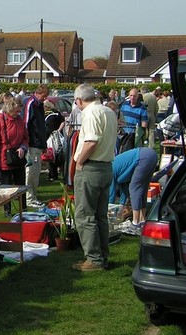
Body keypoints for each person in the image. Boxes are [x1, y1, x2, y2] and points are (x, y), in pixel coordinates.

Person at [71, 84, 118, 272]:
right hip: (106, 166)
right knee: (100, 216)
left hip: (91, 167)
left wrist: (80, 161)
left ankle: (94, 259)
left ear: (79, 100)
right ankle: (102, 256)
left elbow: (91, 142)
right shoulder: (108, 111)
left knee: (85, 215)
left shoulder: (90, 113)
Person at [0, 98, 29, 216]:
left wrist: (23, 147)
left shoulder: (19, 120)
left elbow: (26, 137)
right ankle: (7, 210)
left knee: (21, 185)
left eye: (19, 111)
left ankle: (23, 209)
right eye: (16, 111)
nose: (18, 113)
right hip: (4, 157)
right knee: (6, 187)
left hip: (18, 157)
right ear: (9, 110)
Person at [109, 147, 158, 236]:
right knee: (143, 188)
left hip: (143, 157)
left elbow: (111, 195)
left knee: (134, 187)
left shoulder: (110, 170)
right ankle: (143, 221)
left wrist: (109, 211)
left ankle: (136, 224)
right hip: (151, 155)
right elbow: (124, 190)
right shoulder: (118, 170)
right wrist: (122, 206)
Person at [22, 84, 49, 209]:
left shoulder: (40, 105)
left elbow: (41, 126)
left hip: (38, 144)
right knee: (30, 172)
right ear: (38, 93)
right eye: (44, 96)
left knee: (36, 172)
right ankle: (29, 197)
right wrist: (25, 143)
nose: (45, 99)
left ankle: (34, 195)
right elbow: (26, 123)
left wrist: (43, 143)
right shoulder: (31, 104)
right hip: (31, 143)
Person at [43, 99, 65, 181]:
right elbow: (63, 121)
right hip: (54, 137)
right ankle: (53, 175)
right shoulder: (54, 113)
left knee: (53, 156)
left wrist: (58, 131)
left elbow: (62, 122)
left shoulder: (52, 114)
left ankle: (53, 175)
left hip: (54, 138)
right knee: (54, 156)